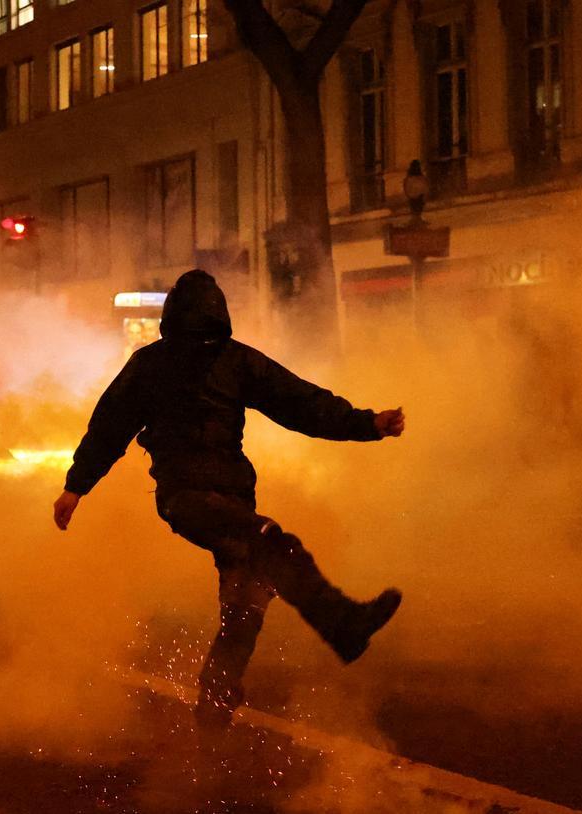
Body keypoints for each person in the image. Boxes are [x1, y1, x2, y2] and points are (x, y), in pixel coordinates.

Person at [53, 269, 404, 731]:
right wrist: (76, 485)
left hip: (227, 501)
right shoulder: (177, 364)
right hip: (191, 500)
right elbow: (110, 428)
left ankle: (216, 699)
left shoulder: (203, 362)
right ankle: (344, 626)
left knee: (247, 601)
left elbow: (298, 402)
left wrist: (367, 424)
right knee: (272, 543)